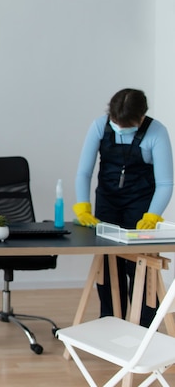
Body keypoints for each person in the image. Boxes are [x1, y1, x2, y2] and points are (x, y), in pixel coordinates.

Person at [74, 88, 173, 327]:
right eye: (117, 123)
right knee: (108, 267)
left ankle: (142, 326)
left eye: (126, 124)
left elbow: (165, 183)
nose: (120, 127)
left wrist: (152, 215)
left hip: (141, 206)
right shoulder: (100, 126)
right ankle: (110, 320)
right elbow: (84, 172)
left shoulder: (157, 132)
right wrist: (83, 205)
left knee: (140, 266)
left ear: (141, 118)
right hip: (107, 203)